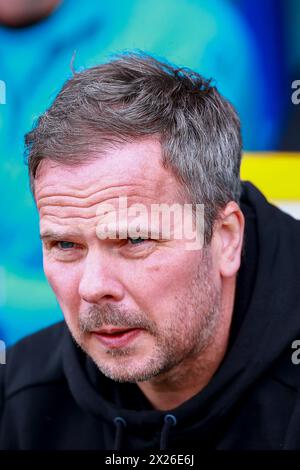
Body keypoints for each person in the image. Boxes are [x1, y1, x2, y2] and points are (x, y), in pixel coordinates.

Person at [1, 52, 300, 451]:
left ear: (226, 238)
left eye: (134, 240)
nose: (93, 288)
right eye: (66, 244)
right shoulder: (23, 399)